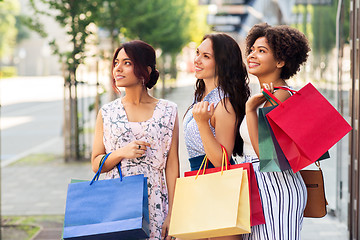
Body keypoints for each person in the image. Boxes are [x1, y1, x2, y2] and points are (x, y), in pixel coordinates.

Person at [91, 40, 179, 240]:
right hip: (116, 202)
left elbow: (172, 165)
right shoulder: (107, 113)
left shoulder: (168, 110)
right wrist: (122, 153)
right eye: (116, 63)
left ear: (145, 70)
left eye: (127, 63)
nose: (118, 68)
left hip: (156, 202)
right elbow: (96, 163)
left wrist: (173, 213)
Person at [239, 23, 311, 240]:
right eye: (252, 49)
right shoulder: (264, 96)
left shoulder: (279, 97)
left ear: (280, 62)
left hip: (276, 188)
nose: (252, 55)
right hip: (260, 185)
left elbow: (265, 154)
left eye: (262, 51)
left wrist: (251, 110)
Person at [183, 33, 250, 240]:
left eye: (206, 56)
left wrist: (203, 124)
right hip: (199, 184)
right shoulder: (203, 97)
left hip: (218, 189)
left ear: (221, 63)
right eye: (197, 53)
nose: (197, 60)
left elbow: (221, 161)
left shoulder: (224, 103)